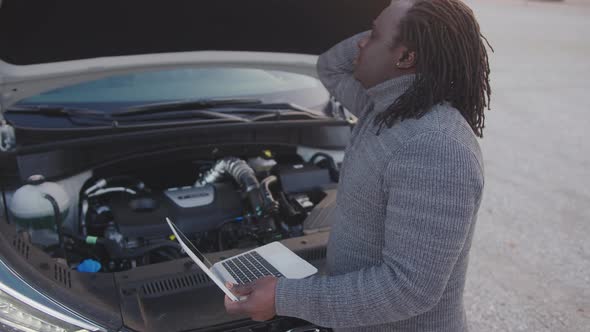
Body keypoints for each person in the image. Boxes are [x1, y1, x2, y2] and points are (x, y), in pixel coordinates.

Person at [224, 0, 492, 330]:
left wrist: (284, 297)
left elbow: (408, 290)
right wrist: (402, 27)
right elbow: (330, 66)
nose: (362, 42)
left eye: (374, 35)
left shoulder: (436, 147)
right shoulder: (385, 108)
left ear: (407, 57)